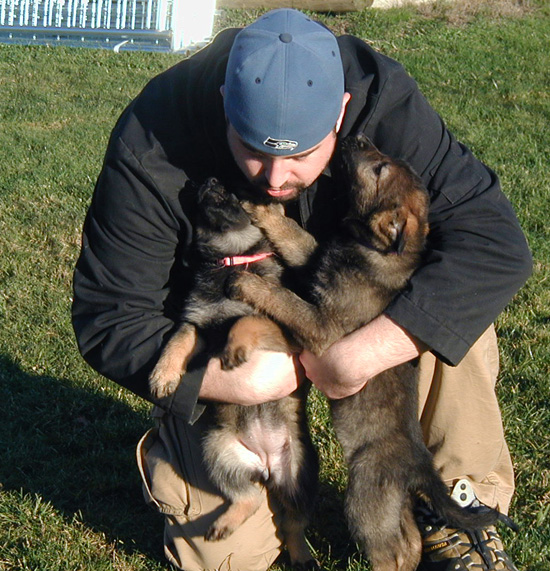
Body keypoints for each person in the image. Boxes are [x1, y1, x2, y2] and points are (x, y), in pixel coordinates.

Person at [72, 8, 531, 571]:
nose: (273, 178)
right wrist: (218, 377)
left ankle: (459, 501)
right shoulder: (154, 135)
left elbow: (495, 244)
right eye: (253, 148)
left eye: (298, 155)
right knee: (228, 558)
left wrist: (364, 351)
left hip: (357, 315)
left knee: (453, 297)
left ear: (340, 112)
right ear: (224, 102)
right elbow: (107, 316)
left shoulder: (382, 102)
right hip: (231, 347)